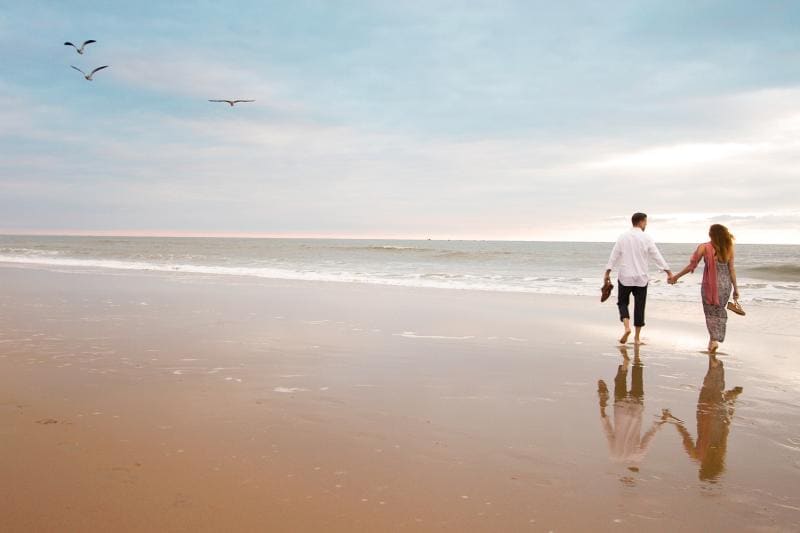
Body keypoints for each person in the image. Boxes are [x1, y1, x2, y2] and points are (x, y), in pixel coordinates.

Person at [665, 353, 742, 482]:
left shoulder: (720, 452)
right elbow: (685, 434)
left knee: (718, 382)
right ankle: (713, 356)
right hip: (705, 413)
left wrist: (731, 409)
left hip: (718, 417)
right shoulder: (697, 455)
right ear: (702, 469)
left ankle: (729, 396)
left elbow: (726, 430)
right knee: (710, 383)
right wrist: (671, 418)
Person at [669, 224, 740, 353]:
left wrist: (676, 277)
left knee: (710, 313)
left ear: (711, 234)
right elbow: (731, 269)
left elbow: (692, 266)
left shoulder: (704, 247)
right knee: (719, 311)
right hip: (725, 285)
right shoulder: (729, 247)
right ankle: (713, 339)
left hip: (710, 284)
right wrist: (735, 288)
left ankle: (713, 340)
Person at [604, 212, 673, 344]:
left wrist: (607, 271)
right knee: (640, 306)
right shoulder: (646, 238)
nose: (646, 224)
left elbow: (614, 255)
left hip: (625, 276)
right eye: (645, 222)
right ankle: (636, 338)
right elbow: (656, 255)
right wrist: (668, 272)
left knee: (623, 303)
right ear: (641, 222)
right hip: (641, 278)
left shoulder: (623, 237)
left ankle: (627, 327)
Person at [597, 345, 670, 468]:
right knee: (619, 383)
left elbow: (648, 437)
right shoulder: (615, 456)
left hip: (636, 410)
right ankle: (624, 367)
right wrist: (603, 413)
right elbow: (608, 433)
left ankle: (636, 357)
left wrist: (661, 422)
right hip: (620, 409)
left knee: (637, 377)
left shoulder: (638, 457)